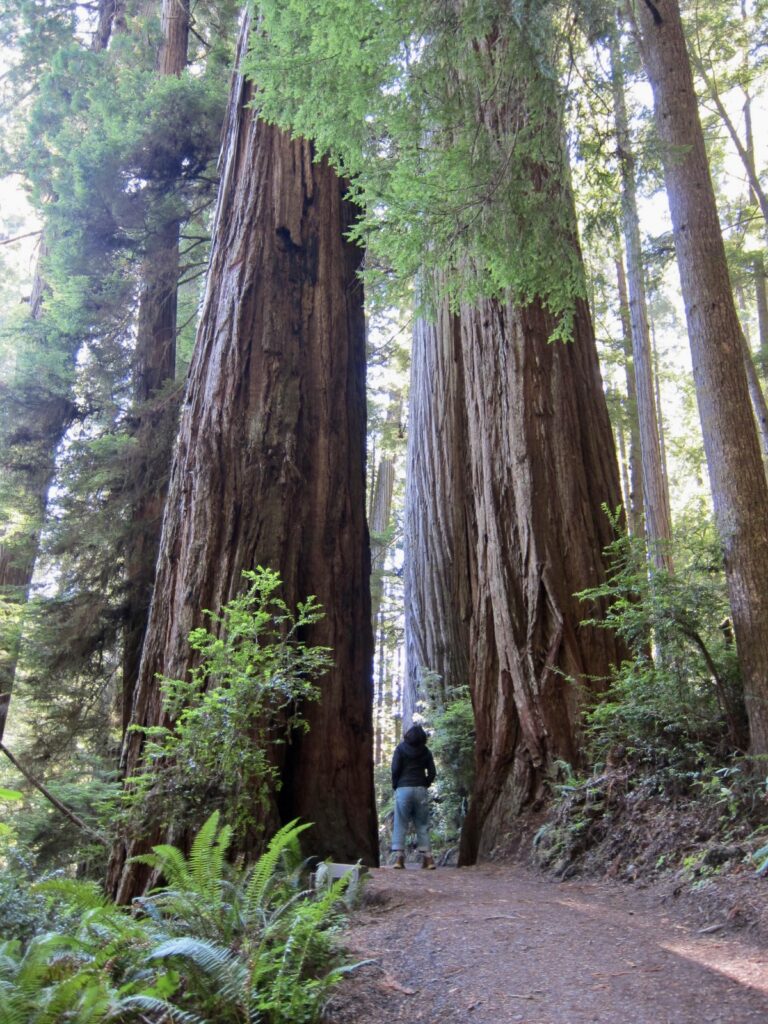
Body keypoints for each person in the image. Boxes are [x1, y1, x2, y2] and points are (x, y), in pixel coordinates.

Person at [390, 723, 437, 869]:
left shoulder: (400, 749)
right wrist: (425, 783)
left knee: (401, 822)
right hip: (420, 789)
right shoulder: (426, 751)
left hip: (403, 788)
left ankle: (399, 859)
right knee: (422, 824)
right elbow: (432, 772)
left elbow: (395, 769)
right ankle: (428, 859)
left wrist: (396, 785)